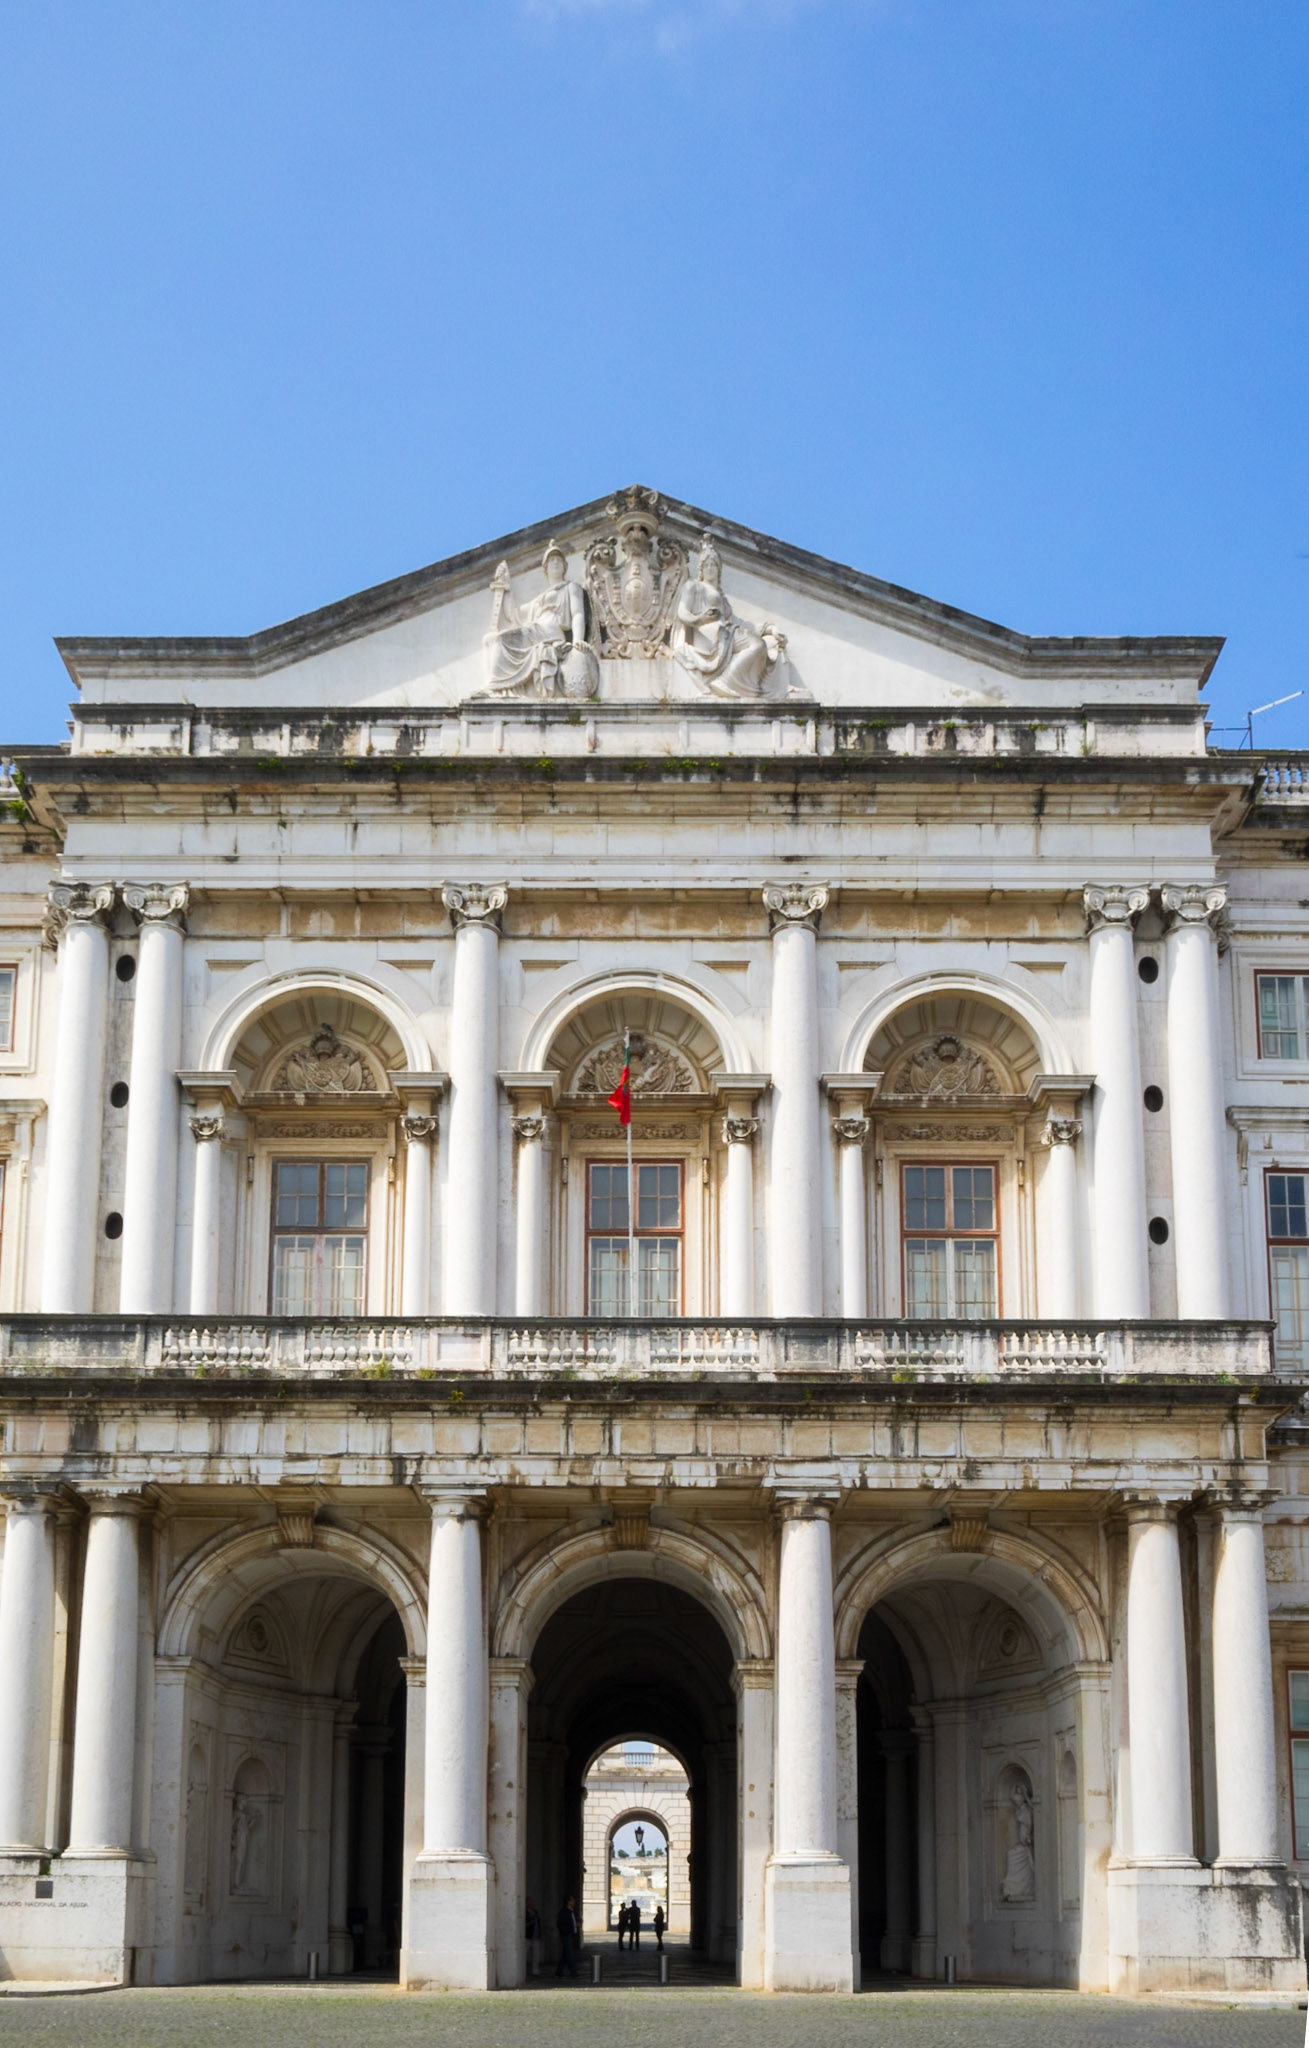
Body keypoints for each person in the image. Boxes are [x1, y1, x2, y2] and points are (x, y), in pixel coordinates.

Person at [555, 1894, 579, 1979]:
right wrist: (566, 1931)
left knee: (565, 1955)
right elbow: (560, 1924)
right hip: (566, 1936)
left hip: (571, 1935)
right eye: (572, 1900)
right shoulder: (564, 1912)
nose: (574, 1901)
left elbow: (572, 1923)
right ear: (568, 1902)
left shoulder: (572, 1911)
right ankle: (573, 1972)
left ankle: (559, 1971)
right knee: (570, 1955)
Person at [524, 1896, 542, 1977]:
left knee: (536, 1955)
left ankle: (535, 1971)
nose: (532, 1903)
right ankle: (522, 1971)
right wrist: (529, 1923)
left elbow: (539, 1923)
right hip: (528, 1937)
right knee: (524, 1954)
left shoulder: (535, 1911)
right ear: (526, 1903)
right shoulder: (524, 1912)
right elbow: (523, 1924)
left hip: (536, 1937)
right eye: (530, 1902)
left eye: (532, 1902)